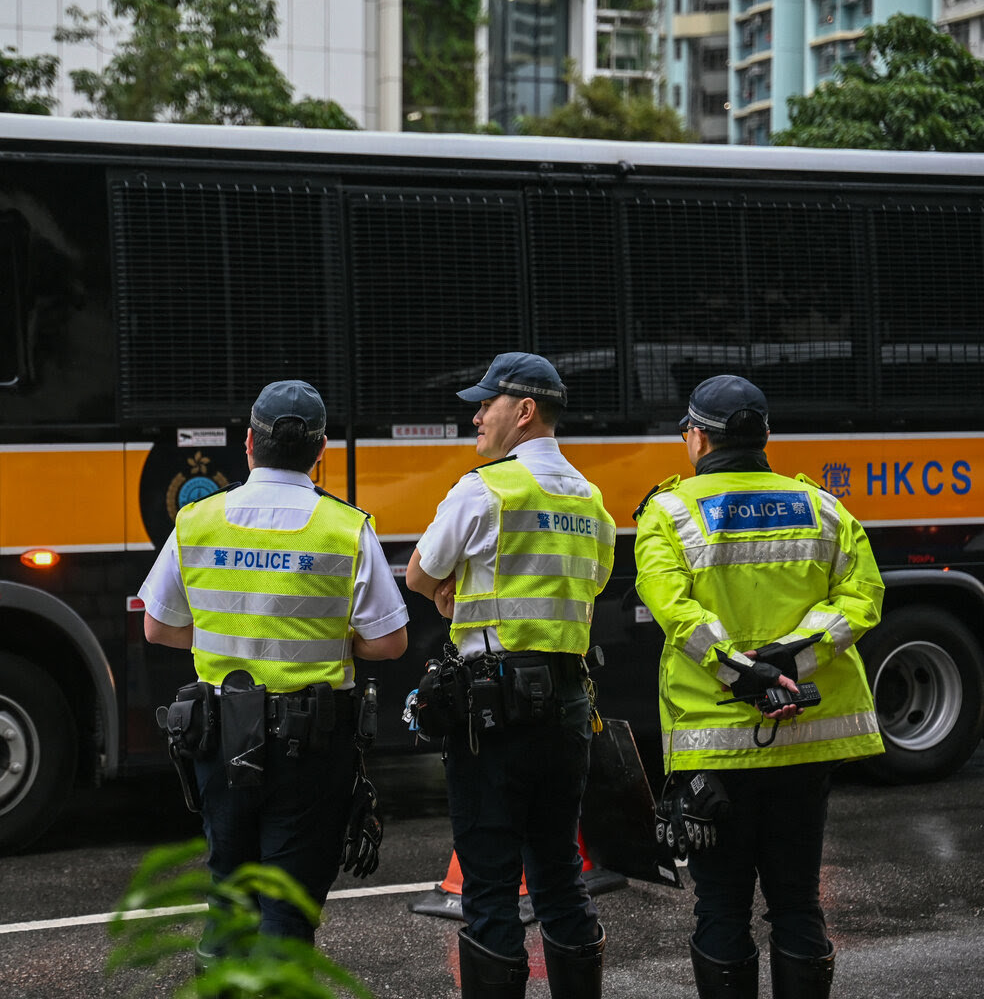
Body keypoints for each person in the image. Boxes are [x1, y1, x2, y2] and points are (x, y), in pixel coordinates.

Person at [633, 374, 885, 999]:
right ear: (766, 435)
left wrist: (742, 670)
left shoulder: (667, 512)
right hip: (803, 742)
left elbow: (677, 613)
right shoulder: (824, 507)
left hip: (715, 750)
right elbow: (862, 599)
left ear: (696, 438)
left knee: (721, 909)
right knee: (797, 903)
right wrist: (790, 662)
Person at [139, 379, 408, 952]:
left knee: (229, 900)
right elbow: (390, 643)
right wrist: (330, 642)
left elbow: (158, 626)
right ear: (321, 451)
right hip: (310, 747)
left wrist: (226, 636)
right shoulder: (345, 527)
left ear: (248, 445)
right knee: (287, 910)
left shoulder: (198, 520)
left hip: (219, 736)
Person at [406, 352, 616, 999]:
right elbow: (589, 587)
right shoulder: (591, 500)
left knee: (492, 886)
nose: (475, 415)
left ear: (523, 412)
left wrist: (453, 593)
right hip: (568, 710)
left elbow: (419, 574)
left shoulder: (485, 488)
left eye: (485, 403)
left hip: (493, 713)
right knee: (558, 876)